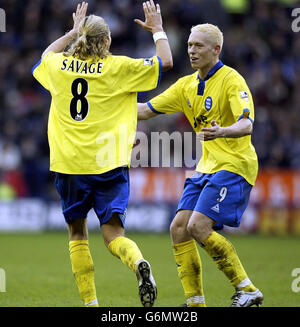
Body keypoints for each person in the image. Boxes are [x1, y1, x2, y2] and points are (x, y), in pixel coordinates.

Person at [32, 1, 172, 307]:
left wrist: (70, 32)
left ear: (81, 37)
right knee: (113, 236)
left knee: (77, 235)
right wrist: (158, 29)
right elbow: (166, 61)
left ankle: (91, 304)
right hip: (109, 164)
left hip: (69, 165)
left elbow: (44, 56)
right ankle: (137, 263)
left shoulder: (59, 67)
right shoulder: (120, 68)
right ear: (107, 41)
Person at [138, 23, 263, 307]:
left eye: (198, 46)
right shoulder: (186, 86)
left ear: (215, 50)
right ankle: (195, 303)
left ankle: (248, 289)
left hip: (234, 164)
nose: (191, 51)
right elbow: (144, 110)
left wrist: (223, 131)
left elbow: (247, 124)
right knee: (178, 228)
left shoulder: (232, 80)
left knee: (198, 226)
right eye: (190, 45)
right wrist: (103, 108)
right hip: (206, 167)